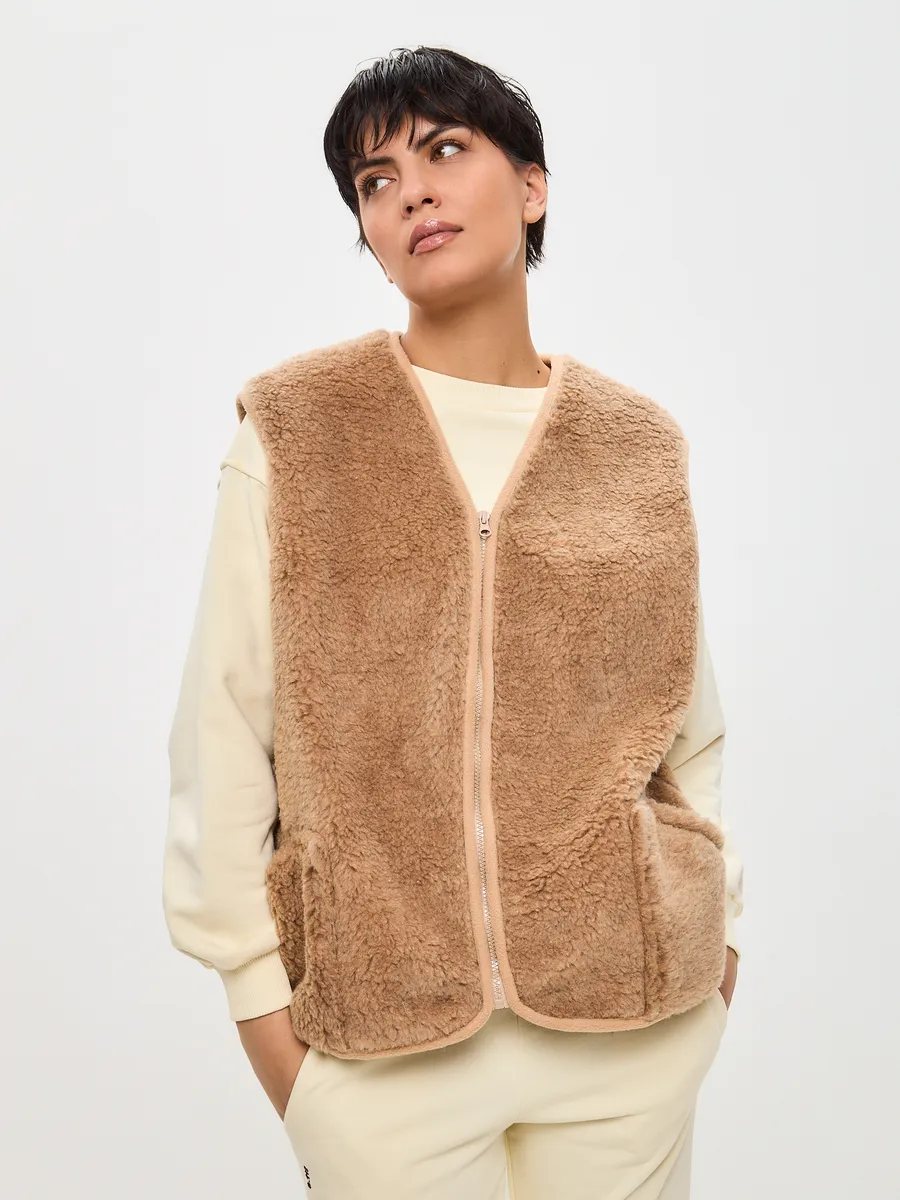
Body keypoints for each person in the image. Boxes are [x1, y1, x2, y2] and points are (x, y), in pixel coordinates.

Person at [163, 44, 744, 1199]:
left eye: (443, 151)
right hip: (385, 1057)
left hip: (632, 1035)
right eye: (376, 182)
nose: (412, 194)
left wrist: (714, 952)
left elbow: (689, 733)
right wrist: (275, 1037)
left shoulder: (635, 446)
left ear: (531, 186)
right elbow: (220, 738)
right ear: (370, 234)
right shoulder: (299, 431)